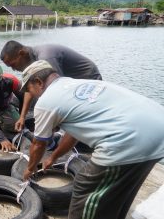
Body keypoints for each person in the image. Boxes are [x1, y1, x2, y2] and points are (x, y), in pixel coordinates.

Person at [21, 60, 164, 219]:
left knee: (86, 188)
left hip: (128, 140)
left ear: (38, 82)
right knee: (119, 189)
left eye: (29, 89)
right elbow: (73, 134)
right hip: (158, 130)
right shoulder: (75, 84)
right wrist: (53, 157)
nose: (31, 95)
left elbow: (38, 143)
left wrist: (29, 168)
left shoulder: (45, 101)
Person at [0, 41, 102, 132]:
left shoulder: (46, 57)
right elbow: (29, 88)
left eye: (13, 64)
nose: (13, 69)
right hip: (71, 84)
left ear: (21, 54)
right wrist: (22, 116)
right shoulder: (32, 61)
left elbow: (57, 92)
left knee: (82, 119)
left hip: (88, 80)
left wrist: (51, 123)